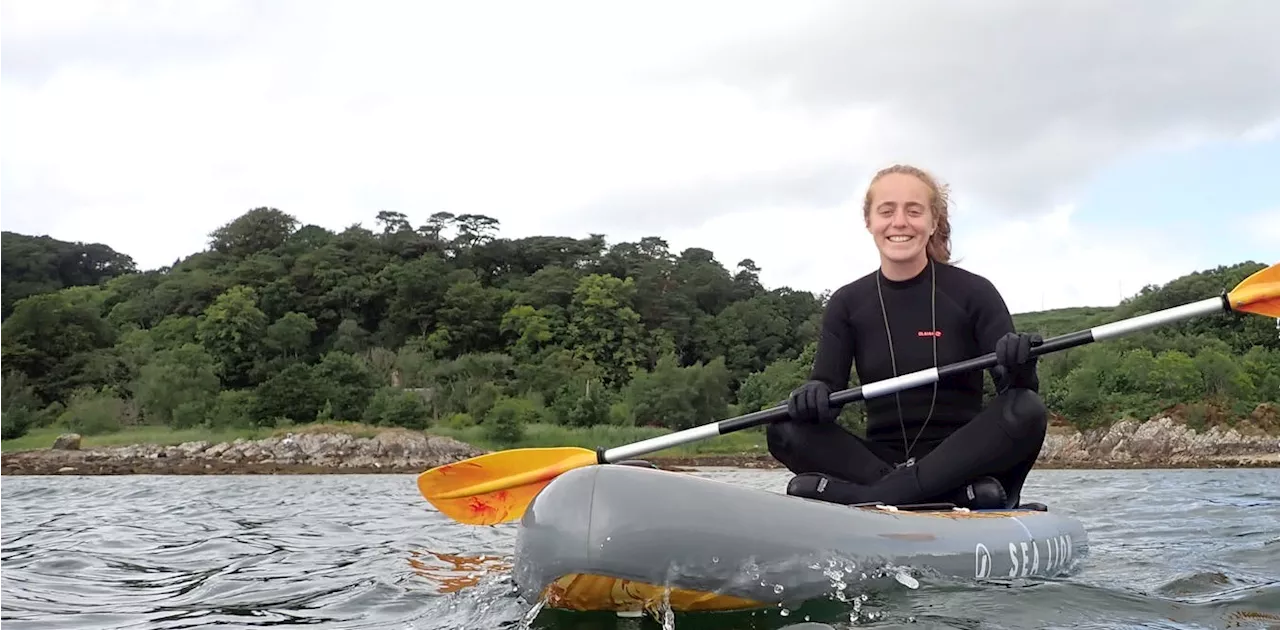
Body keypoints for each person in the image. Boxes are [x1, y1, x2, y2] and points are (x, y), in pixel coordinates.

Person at [767, 164, 1048, 510]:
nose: (899, 222)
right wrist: (812, 395)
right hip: (875, 462)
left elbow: (1014, 388)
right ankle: (934, 496)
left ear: (933, 223)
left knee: (1026, 408)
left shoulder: (974, 292)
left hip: (959, 457)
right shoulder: (847, 303)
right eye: (887, 211)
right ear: (869, 222)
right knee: (783, 424)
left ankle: (870, 499)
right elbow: (827, 388)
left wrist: (1021, 363)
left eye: (914, 211)